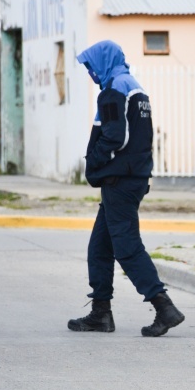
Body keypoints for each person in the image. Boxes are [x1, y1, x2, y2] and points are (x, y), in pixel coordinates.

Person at [67, 40, 185, 337]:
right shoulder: (134, 86)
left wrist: (92, 164)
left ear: (103, 62)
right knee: (100, 248)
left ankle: (164, 307)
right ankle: (100, 314)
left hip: (120, 181)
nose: (91, 72)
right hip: (131, 178)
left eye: (91, 66)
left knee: (127, 247)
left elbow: (115, 137)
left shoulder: (113, 89)